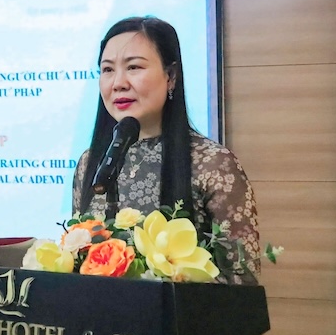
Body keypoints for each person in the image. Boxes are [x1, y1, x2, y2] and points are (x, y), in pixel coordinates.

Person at [72, 16, 260, 284]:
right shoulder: (90, 162)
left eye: (134, 67)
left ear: (170, 76)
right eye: (108, 70)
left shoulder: (212, 164)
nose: (118, 83)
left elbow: (242, 282)